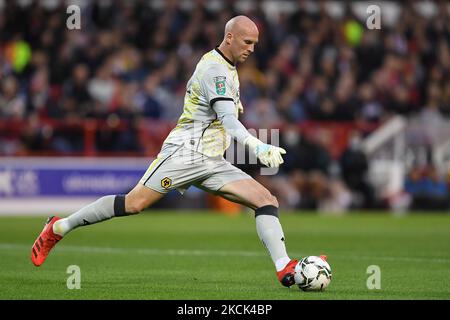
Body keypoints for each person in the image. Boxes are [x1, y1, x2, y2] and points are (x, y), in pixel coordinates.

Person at [31, 16, 325, 288]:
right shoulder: (214, 70)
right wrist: (257, 146)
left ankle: (284, 267)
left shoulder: (230, 69)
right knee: (134, 204)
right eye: (247, 42)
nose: (251, 49)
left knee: (265, 200)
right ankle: (58, 227)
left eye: (255, 45)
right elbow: (229, 121)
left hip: (211, 160)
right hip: (185, 154)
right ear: (230, 37)